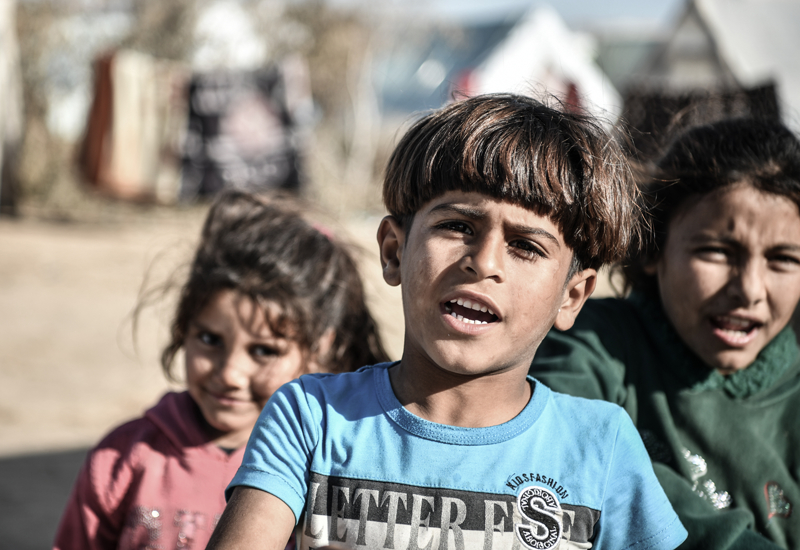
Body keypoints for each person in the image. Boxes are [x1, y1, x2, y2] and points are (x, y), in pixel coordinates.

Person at [207, 94, 688, 550]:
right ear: (394, 252)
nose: (484, 262)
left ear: (572, 296)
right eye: (458, 226)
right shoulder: (312, 417)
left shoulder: (600, 445)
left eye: (525, 246)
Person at [53, 189, 389, 550]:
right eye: (210, 339)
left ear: (319, 351)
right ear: (183, 328)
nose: (230, 373)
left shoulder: (324, 472)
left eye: (263, 350)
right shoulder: (123, 457)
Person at [529, 117, 800, 549]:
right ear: (653, 248)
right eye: (716, 252)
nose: (750, 290)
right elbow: (565, 444)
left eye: (783, 259)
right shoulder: (594, 344)